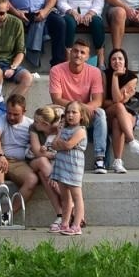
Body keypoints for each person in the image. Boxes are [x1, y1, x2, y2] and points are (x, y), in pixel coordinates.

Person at [49, 38, 108, 173]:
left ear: (87, 57)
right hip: (64, 110)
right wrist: (75, 108)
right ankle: (51, 153)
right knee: (53, 112)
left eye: (82, 52)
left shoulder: (94, 72)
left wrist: (80, 109)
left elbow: (98, 101)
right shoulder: (56, 70)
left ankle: (100, 158)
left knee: (100, 113)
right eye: (75, 51)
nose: (78, 55)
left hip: (84, 112)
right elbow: (56, 98)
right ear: (70, 53)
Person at [49, 101, 88, 236]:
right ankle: (65, 223)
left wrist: (62, 144)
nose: (70, 115)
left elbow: (68, 145)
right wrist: (59, 135)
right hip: (62, 164)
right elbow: (54, 144)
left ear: (81, 115)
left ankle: (77, 224)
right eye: (68, 112)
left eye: (74, 112)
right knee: (65, 197)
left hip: (73, 165)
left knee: (77, 196)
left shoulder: (81, 130)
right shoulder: (64, 130)